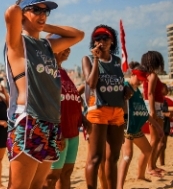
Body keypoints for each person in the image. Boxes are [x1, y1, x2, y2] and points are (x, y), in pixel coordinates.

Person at [4, 0, 84, 189]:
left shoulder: (48, 45)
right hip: (28, 118)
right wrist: (23, 5)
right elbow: (10, 13)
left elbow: (78, 35)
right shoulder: (18, 43)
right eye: (36, 10)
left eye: (45, 11)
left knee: (38, 185)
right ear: (23, 13)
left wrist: (42, 25)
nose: (43, 14)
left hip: (50, 121)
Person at [82, 24, 133, 189]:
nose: (101, 41)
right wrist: (97, 59)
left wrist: (126, 90)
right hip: (98, 110)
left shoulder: (117, 61)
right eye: (97, 38)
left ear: (112, 41)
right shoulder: (88, 60)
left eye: (105, 38)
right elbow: (91, 83)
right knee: (95, 158)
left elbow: (120, 84)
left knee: (113, 157)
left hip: (117, 111)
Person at [117, 62, 164, 189]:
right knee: (127, 156)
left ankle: (141, 176)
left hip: (136, 128)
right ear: (133, 75)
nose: (140, 82)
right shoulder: (125, 87)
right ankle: (119, 186)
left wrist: (158, 127)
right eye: (139, 79)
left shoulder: (137, 91)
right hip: (126, 127)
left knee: (147, 150)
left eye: (142, 80)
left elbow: (145, 112)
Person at [44, 45, 85, 189]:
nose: (68, 50)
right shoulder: (47, 72)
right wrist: (56, 132)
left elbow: (70, 99)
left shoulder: (64, 73)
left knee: (66, 173)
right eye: (64, 46)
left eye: (70, 47)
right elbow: (47, 104)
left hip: (73, 131)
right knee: (51, 177)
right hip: (58, 132)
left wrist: (84, 120)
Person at [141, 51, 166, 175]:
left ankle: (153, 165)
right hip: (154, 106)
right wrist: (152, 111)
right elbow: (150, 93)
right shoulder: (152, 75)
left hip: (156, 105)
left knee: (157, 138)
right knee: (155, 138)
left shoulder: (148, 75)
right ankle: (150, 167)